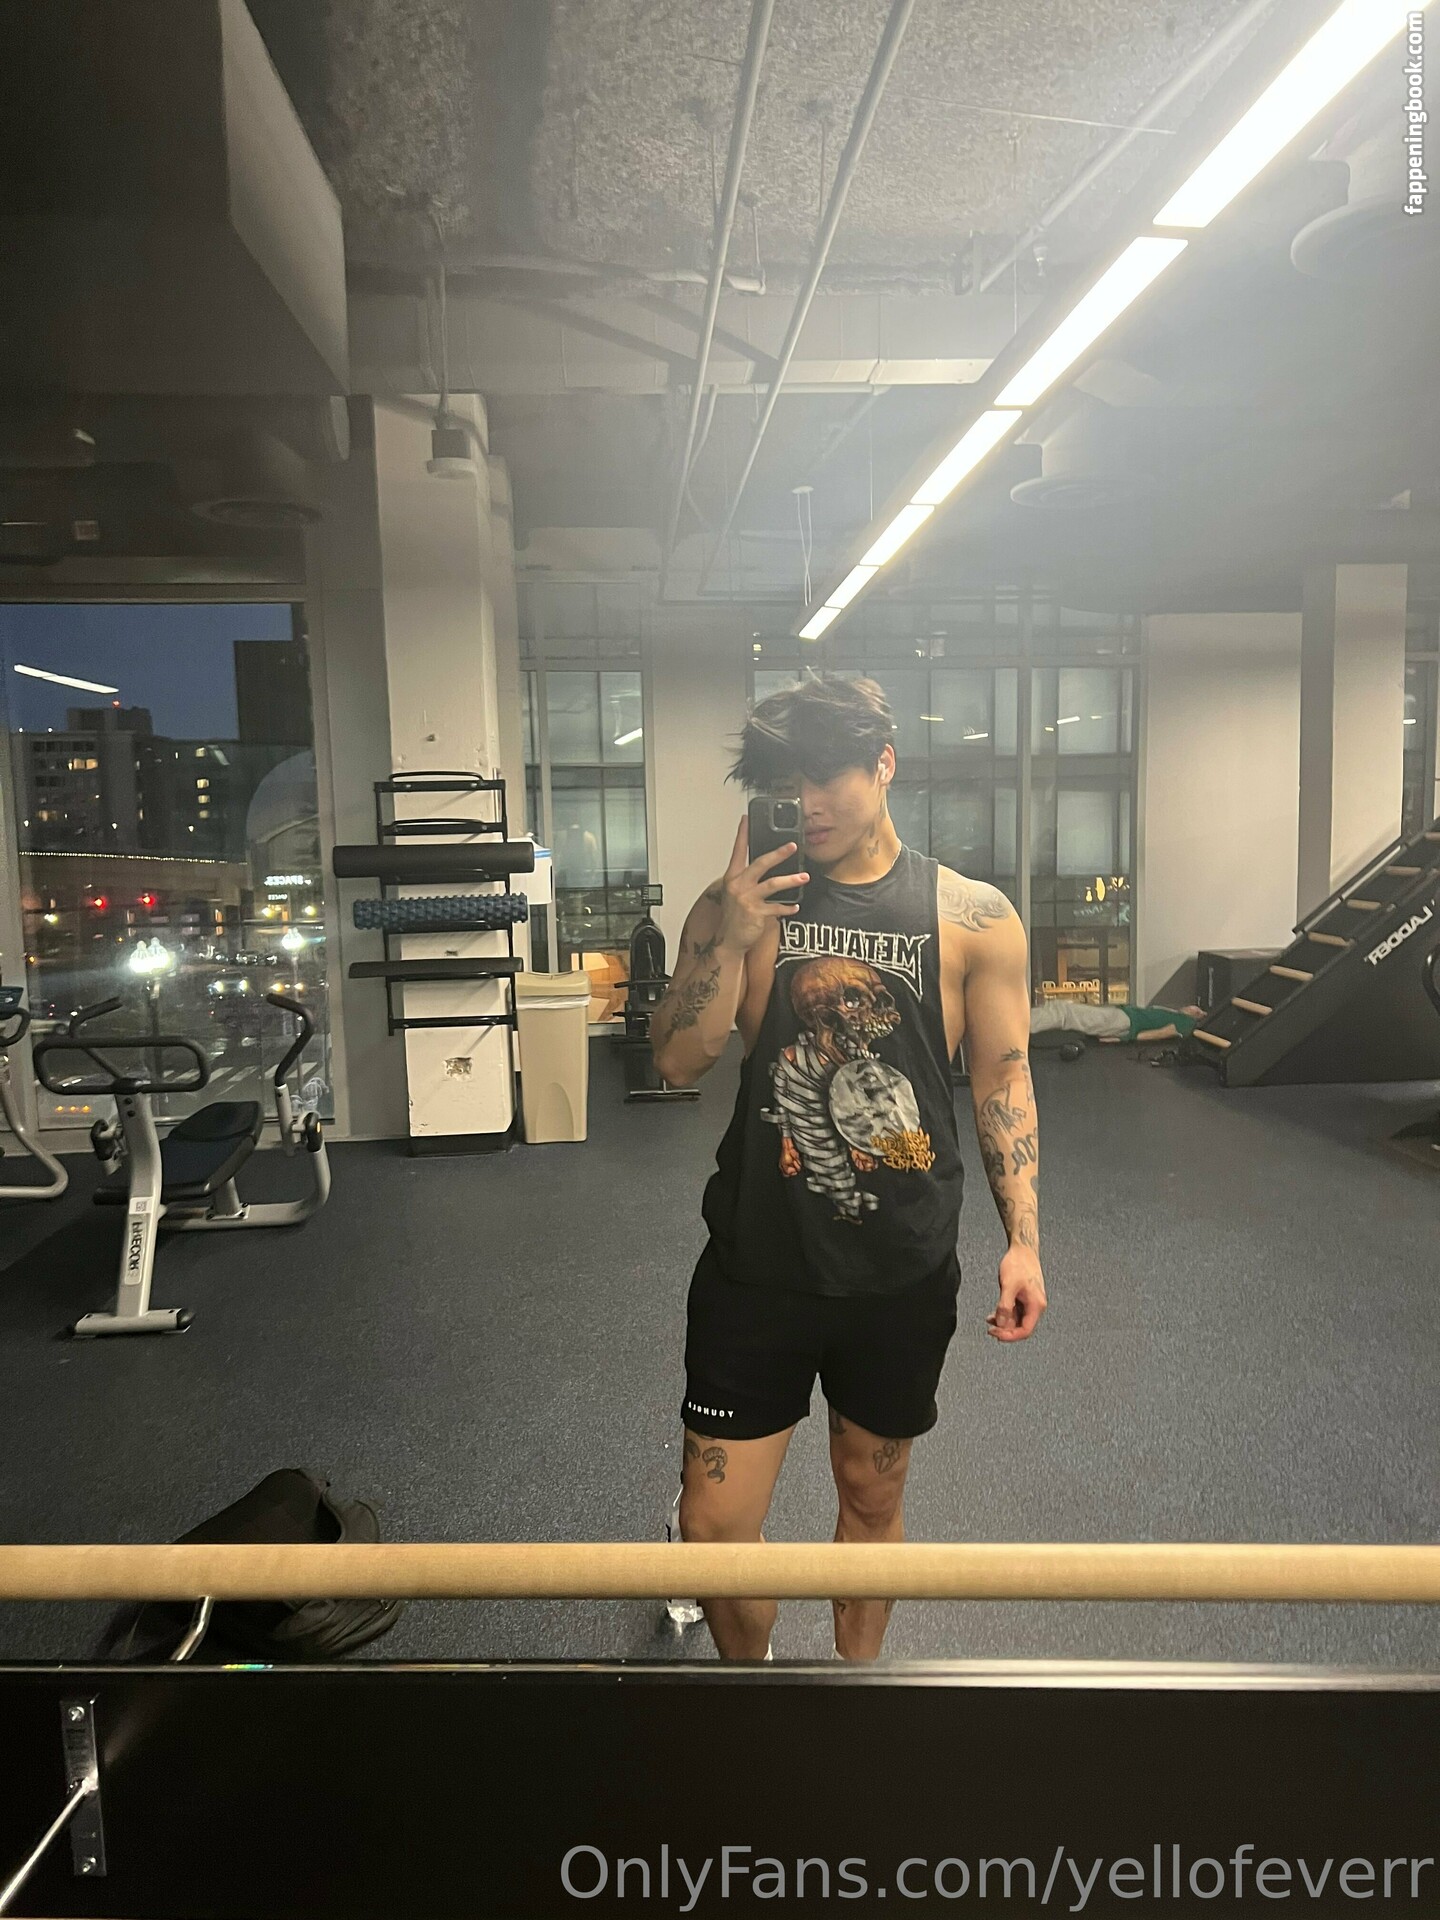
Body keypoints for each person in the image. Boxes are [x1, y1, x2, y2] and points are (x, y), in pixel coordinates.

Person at [651, 676, 1046, 1662]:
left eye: (827, 776)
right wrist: (732, 938)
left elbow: (1004, 1077)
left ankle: (855, 1695)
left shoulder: (973, 917)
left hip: (897, 1273)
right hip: (758, 1266)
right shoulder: (736, 908)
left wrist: (1024, 1241)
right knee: (711, 1529)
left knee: (871, 1502)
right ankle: (754, 1689)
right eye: (786, 785)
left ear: (885, 765)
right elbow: (677, 1059)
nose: (807, 803)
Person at [1030, 1000, 1202, 1045]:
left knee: (1065, 1012)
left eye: (1197, 1010)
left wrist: (1126, 1037)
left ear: (1196, 1015)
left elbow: (1163, 1033)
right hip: (1122, 1015)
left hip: (1124, 1021)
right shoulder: (1175, 1014)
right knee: (1063, 1010)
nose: (1192, 1007)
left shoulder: (1186, 1023)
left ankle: (1020, 1024)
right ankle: (1023, 1021)